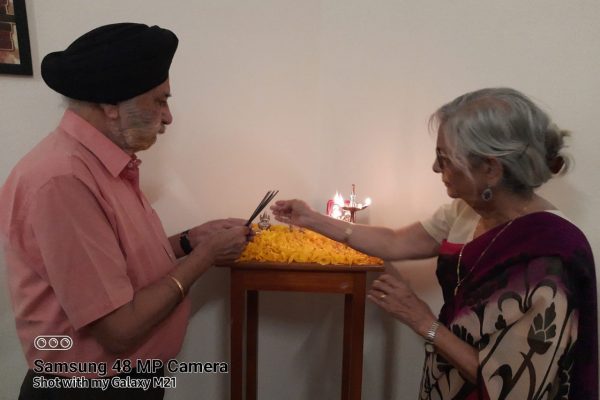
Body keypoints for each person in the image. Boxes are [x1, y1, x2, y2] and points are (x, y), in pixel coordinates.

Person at [271, 88, 597, 399]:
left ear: (490, 169)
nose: (436, 168)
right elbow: (395, 242)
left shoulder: (553, 253)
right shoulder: (463, 212)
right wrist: (312, 219)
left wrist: (423, 322)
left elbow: (515, 384)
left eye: (445, 158)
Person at [0, 23, 250, 399]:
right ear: (111, 105)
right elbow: (118, 330)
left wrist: (187, 241)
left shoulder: (103, 165)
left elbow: (111, 267)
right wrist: (205, 257)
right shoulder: (63, 180)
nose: (168, 117)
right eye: (159, 100)